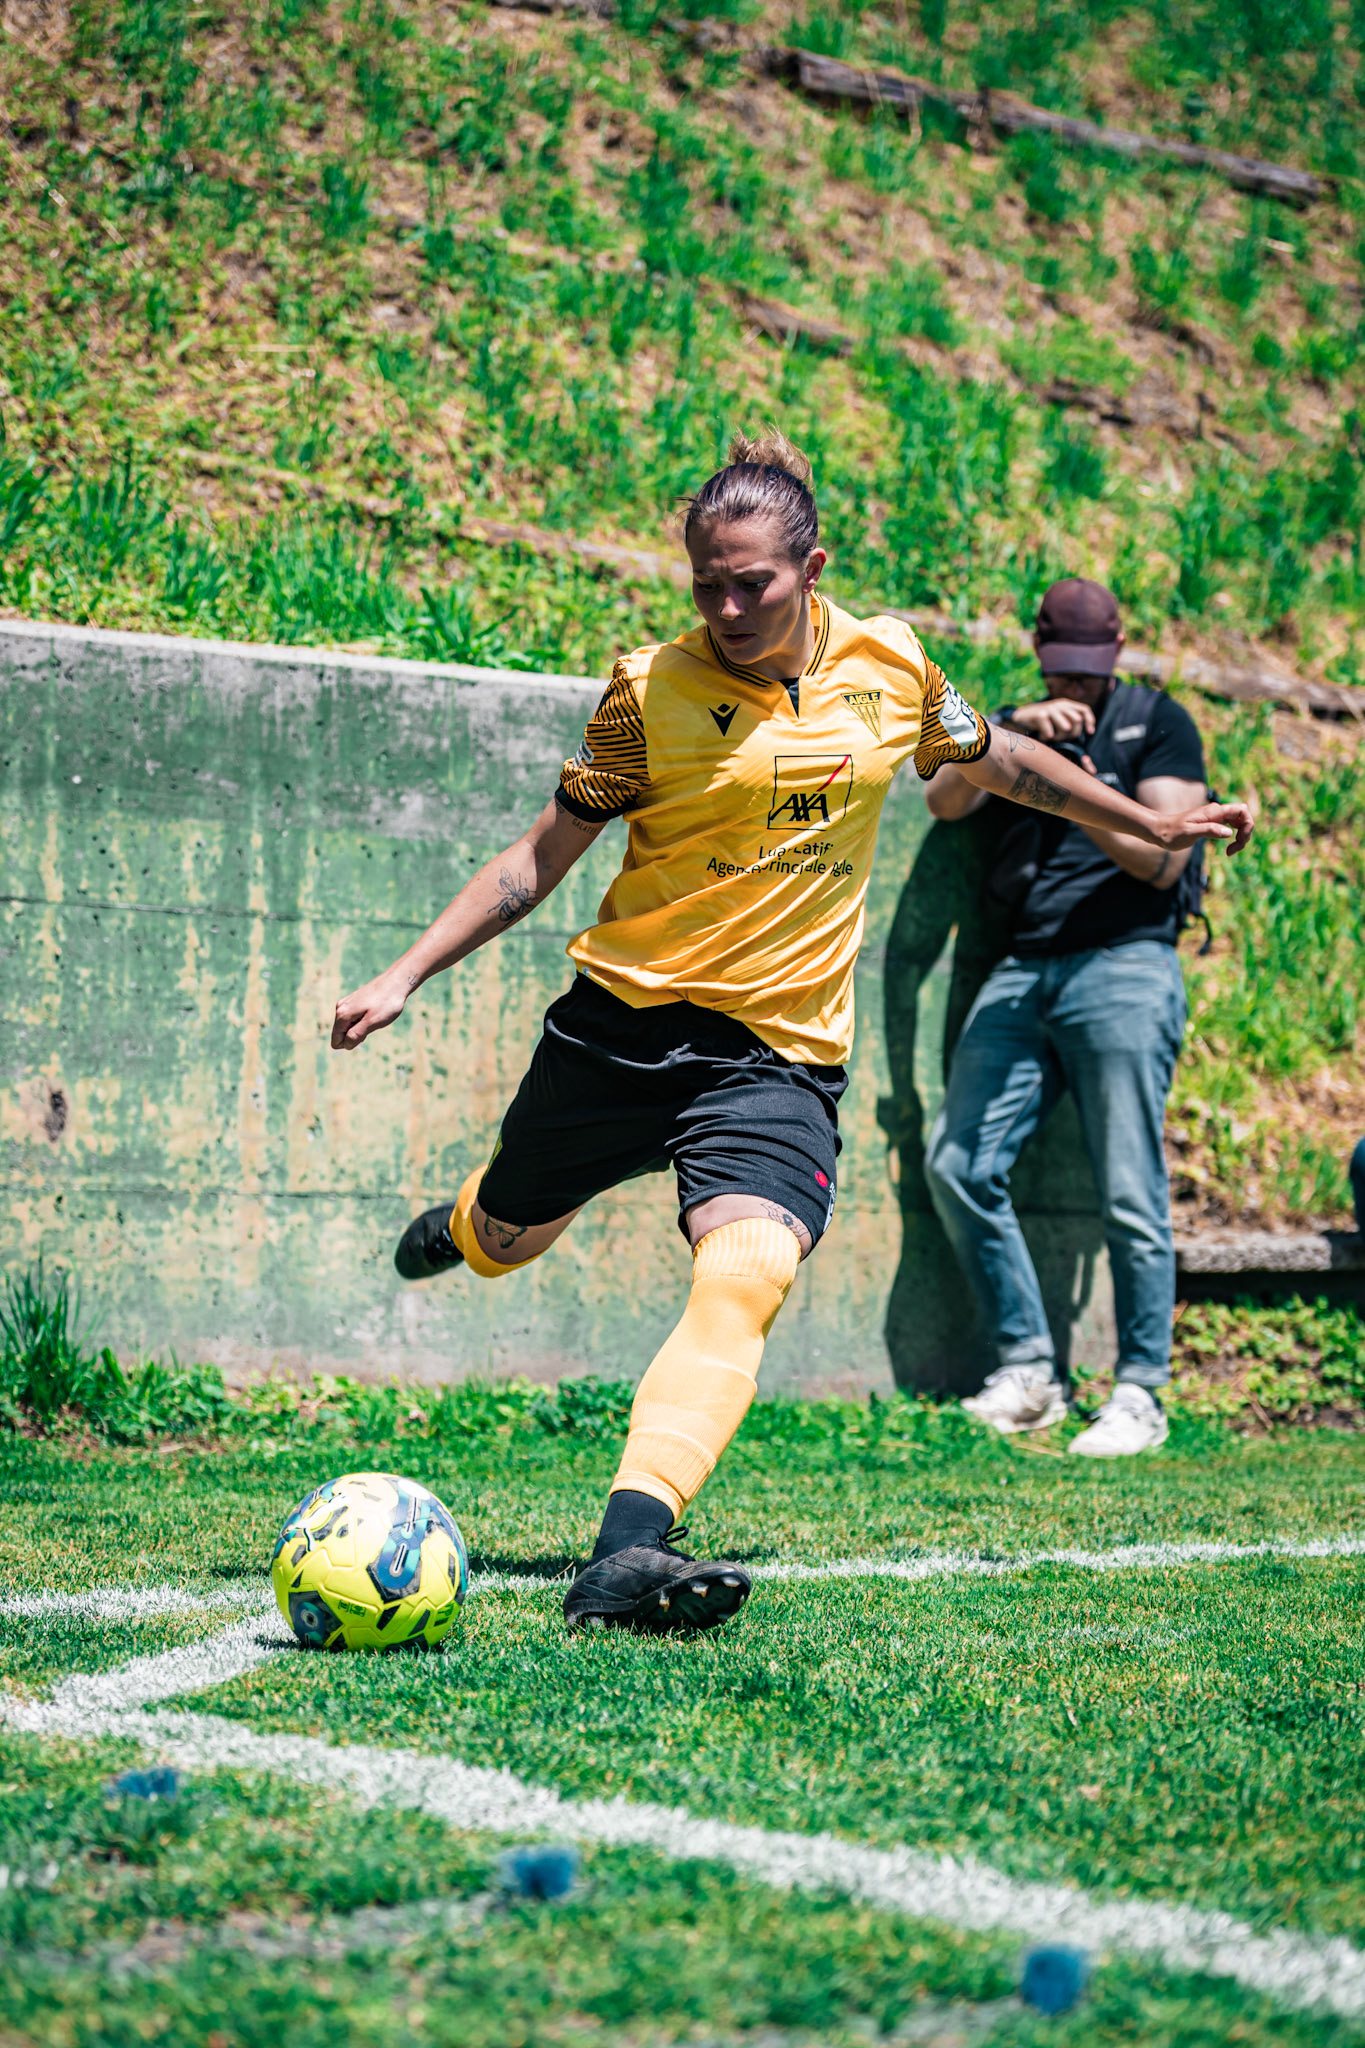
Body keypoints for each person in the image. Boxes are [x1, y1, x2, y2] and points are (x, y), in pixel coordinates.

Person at [331, 451, 1253, 1633]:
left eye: (748, 585)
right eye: (704, 585)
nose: (721, 610)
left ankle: (626, 1553)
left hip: (776, 1056)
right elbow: (533, 861)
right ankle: (469, 1222)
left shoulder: (893, 665)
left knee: (750, 1268)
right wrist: (404, 972)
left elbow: (1005, 761)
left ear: (812, 571)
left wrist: (1150, 818)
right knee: (512, 1236)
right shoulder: (644, 694)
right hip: (621, 1029)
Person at [922, 577, 1234, 1456]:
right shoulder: (1021, 716)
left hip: (1126, 965)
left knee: (1129, 1190)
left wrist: (1076, 783)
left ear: (1118, 654)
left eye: (1089, 674)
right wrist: (1012, 734)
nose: (1078, 688)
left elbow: (1160, 864)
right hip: (1024, 968)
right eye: (1062, 673)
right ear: (1037, 651)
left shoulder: (1157, 722)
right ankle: (1028, 1371)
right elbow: (943, 801)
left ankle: (1139, 1392)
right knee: (957, 1161)